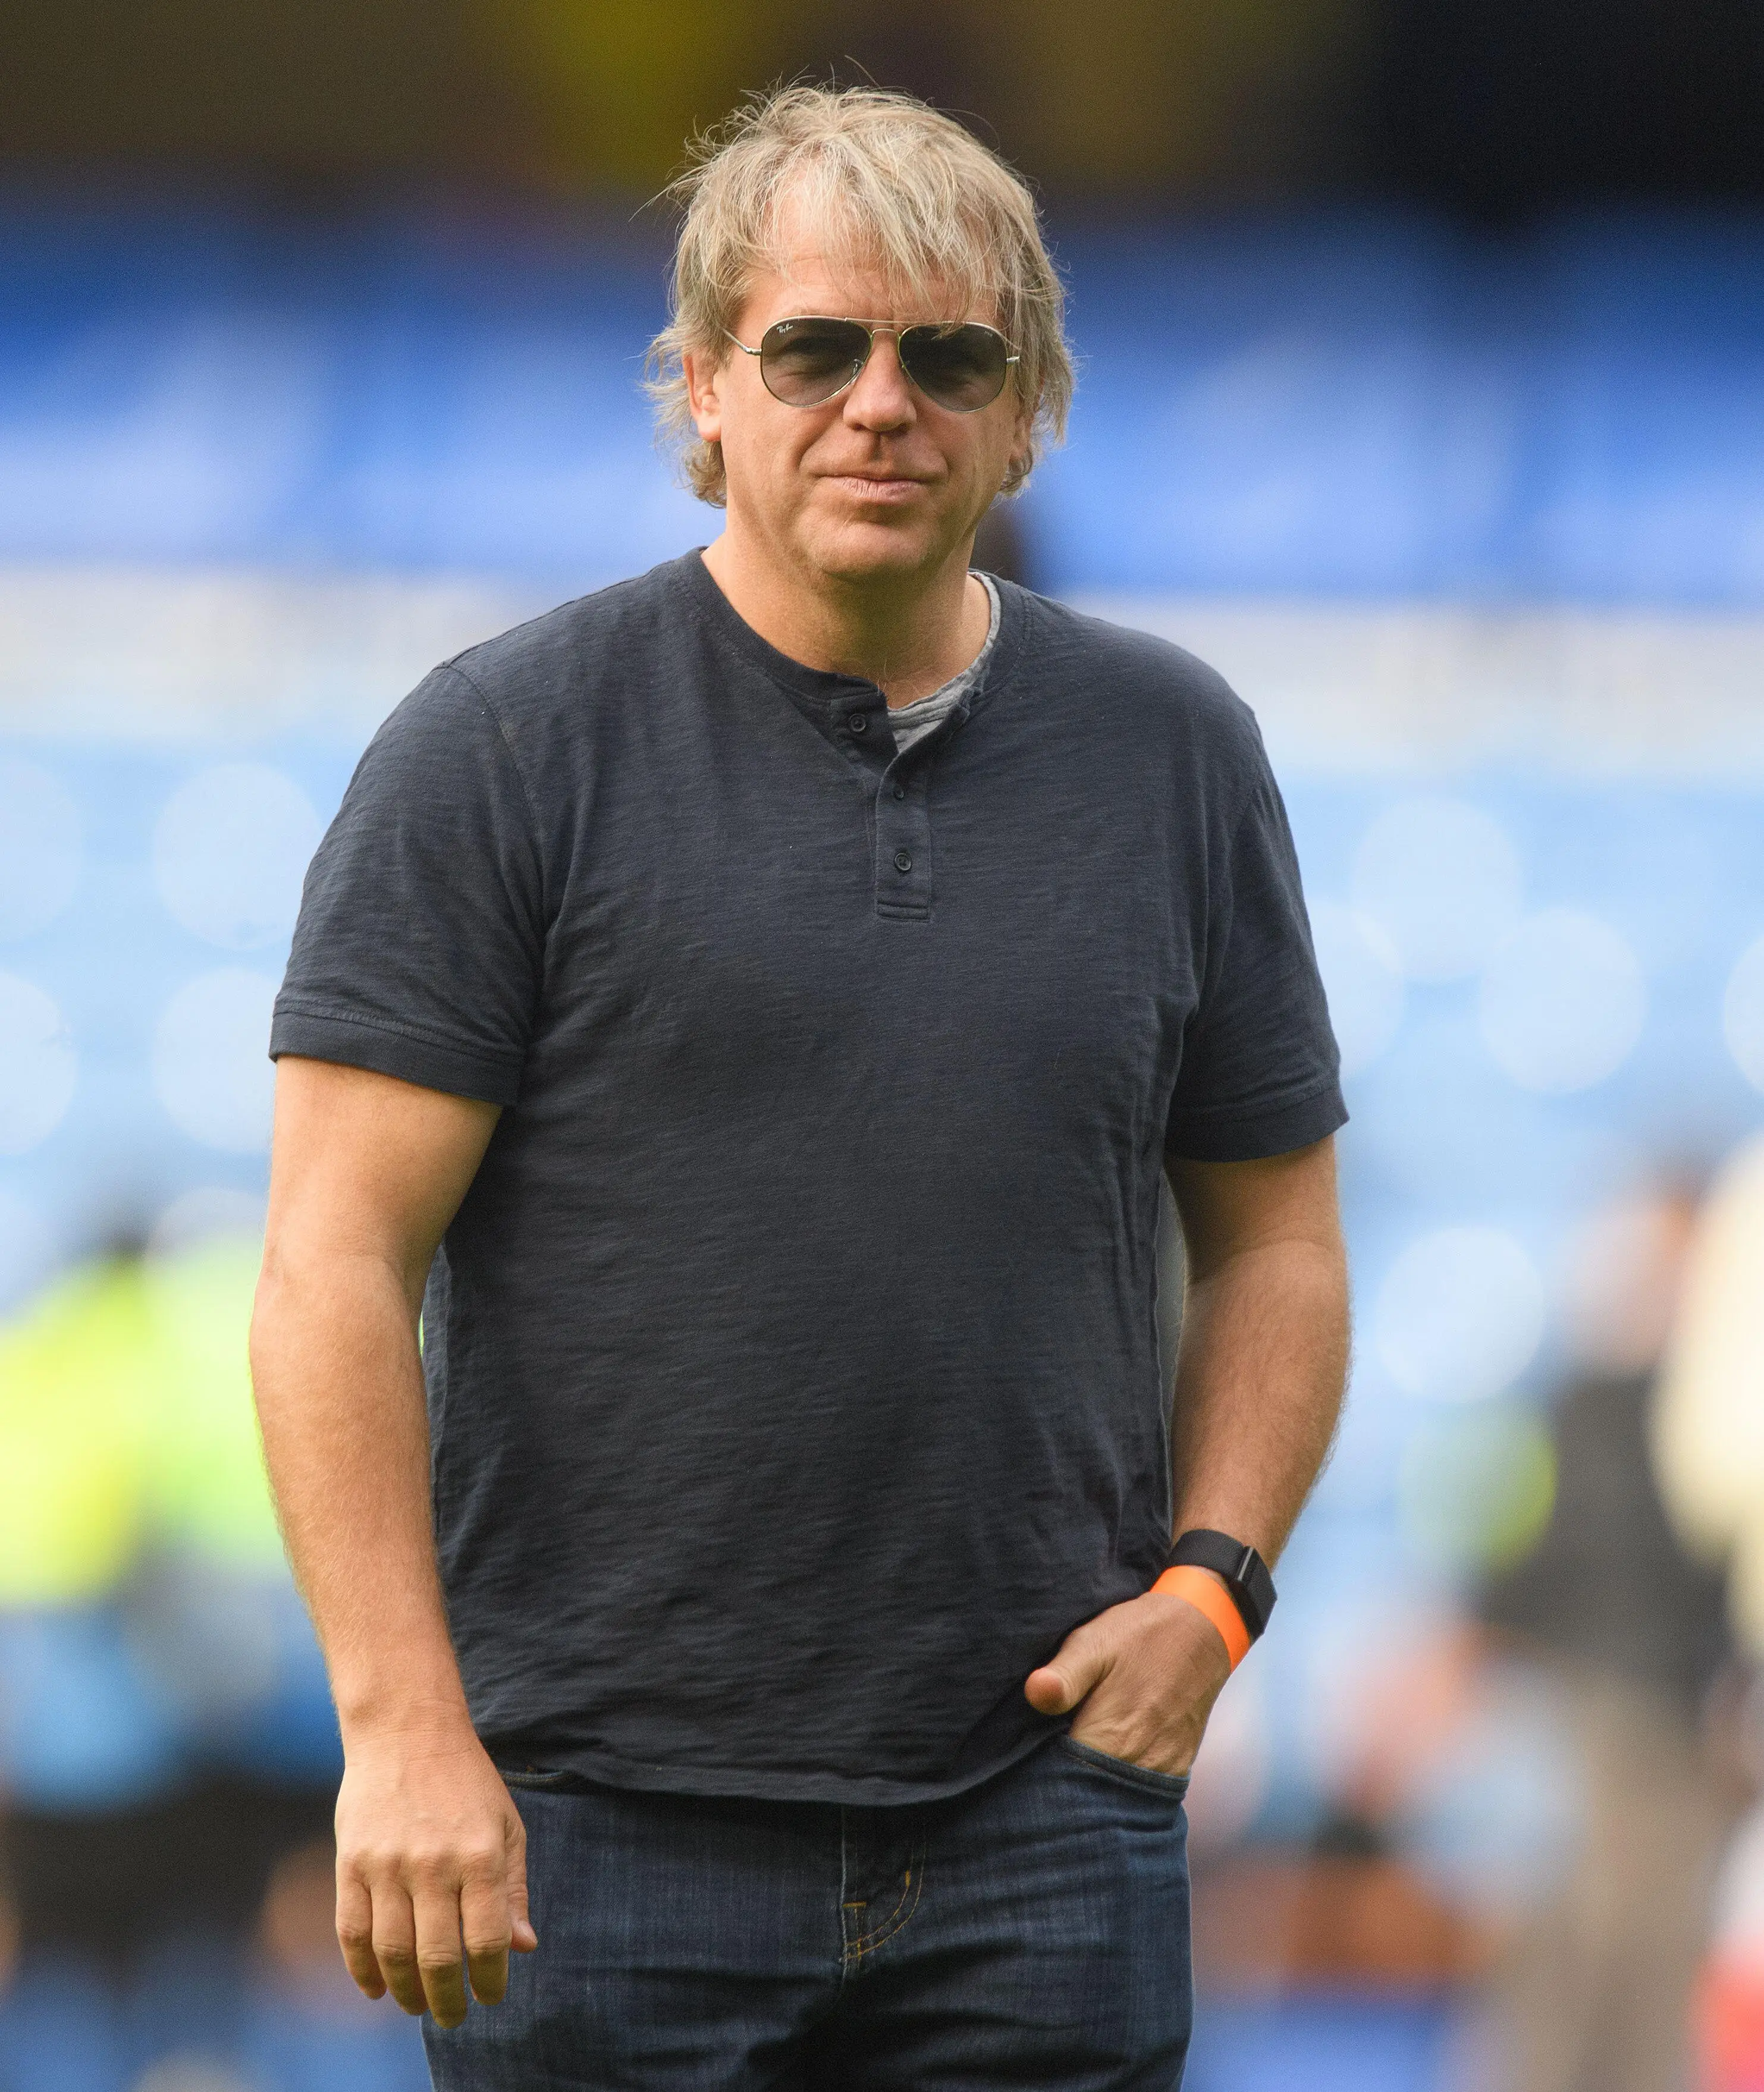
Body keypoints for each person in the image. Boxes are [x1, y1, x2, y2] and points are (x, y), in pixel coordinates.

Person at [250, 84, 1349, 2090]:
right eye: (813, 348)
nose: (879, 404)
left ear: (1028, 413)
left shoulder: (1176, 755)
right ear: (700, 393)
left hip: (1044, 1821)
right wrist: (402, 1724)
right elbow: (328, 1257)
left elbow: (1275, 1241)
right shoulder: (499, 748)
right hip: (588, 1827)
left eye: (950, 357)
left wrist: (1216, 1589)